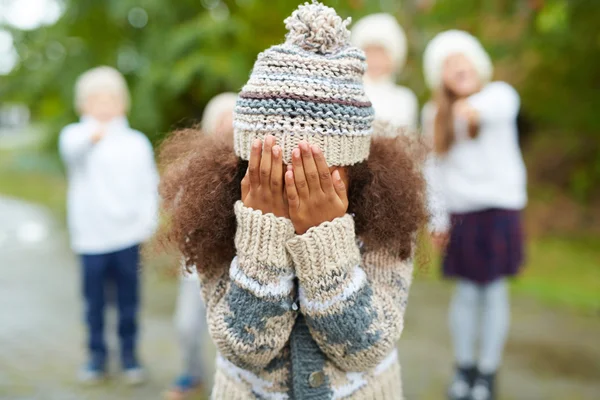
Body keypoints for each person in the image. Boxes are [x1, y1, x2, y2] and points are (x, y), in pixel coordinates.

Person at [157, 2, 427, 398]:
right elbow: (245, 349)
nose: (296, 182)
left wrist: (326, 237)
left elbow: (366, 348)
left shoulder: (386, 216)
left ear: (356, 165)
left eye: (317, 166)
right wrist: (261, 235)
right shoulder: (219, 215)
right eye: (275, 164)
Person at [422, 30, 527, 400]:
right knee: (467, 293)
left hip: (499, 209)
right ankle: (463, 367)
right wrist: (437, 219)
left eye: (462, 59)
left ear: (476, 63)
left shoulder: (498, 95)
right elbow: (433, 170)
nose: (457, 67)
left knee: (494, 292)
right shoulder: (434, 113)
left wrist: (472, 107)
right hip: (462, 214)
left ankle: (487, 372)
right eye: (448, 64)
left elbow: (499, 106)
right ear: (440, 74)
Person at [59, 66, 159, 385]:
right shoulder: (76, 136)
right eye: (95, 99)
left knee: (129, 301)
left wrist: (147, 225)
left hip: (128, 236)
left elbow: (148, 186)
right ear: (83, 104)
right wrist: (96, 133)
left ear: (122, 103)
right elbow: (73, 151)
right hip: (91, 238)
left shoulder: (136, 142)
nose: (104, 105)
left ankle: (129, 355)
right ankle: (96, 356)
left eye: (110, 98)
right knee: (95, 303)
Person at [163, 92, 237, 400]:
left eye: (235, 119)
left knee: (233, 334)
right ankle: (192, 374)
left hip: (234, 268)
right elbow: (175, 209)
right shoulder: (193, 163)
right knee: (187, 326)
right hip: (197, 268)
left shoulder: (251, 164)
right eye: (222, 119)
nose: (228, 125)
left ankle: (232, 382)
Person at [351, 13, 418, 131]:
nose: (375, 60)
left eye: (381, 53)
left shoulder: (404, 99)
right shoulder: (350, 94)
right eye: (369, 52)